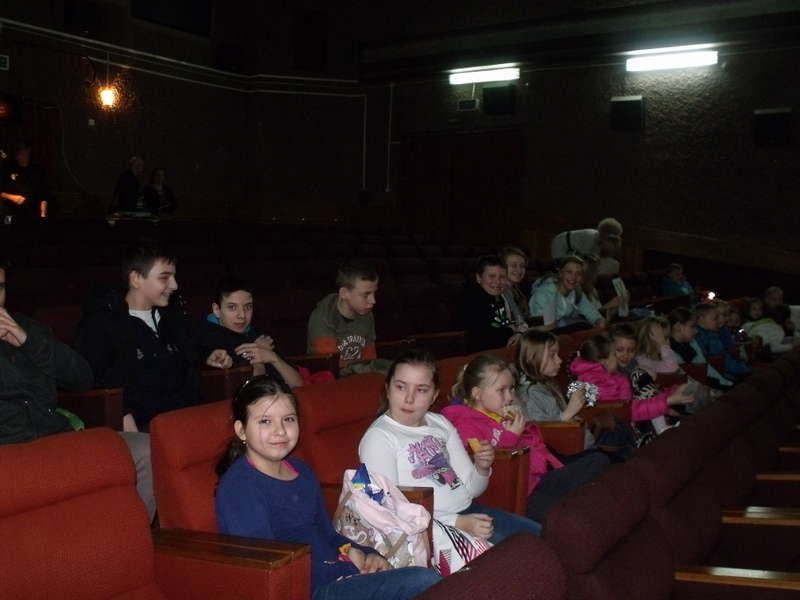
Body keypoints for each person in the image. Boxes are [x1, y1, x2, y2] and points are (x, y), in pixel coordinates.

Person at [215, 375, 441, 600]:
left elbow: (328, 535)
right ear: (241, 430)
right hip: (303, 589)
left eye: (289, 419)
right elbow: (267, 564)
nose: (280, 430)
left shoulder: (301, 472)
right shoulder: (240, 487)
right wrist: (347, 567)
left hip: (337, 575)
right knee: (422, 581)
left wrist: (368, 554)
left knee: (427, 581)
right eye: (265, 421)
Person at [0, 257, 155, 521]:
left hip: (57, 438)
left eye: (1, 287)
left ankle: (126, 538)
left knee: (145, 450)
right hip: (10, 452)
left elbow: (82, 379)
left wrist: (29, 343)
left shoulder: (29, 328)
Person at [359, 350, 542, 548]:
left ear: (434, 395)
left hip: (470, 512)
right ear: (388, 389)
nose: (409, 398)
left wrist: (481, 468)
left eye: (421, 390)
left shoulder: (440, 423)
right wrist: (457, 522)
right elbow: (386, 508)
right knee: (525, 554)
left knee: (544, 536)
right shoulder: (379, 437)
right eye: (401, 387)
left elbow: (471, 489)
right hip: (428, 532)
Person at [76, 240, 231, 432]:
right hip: (145, 429)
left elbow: (189, 363)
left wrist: (207, 357)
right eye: (164, 277)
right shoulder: (103, 326)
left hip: (187, 421)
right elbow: (97, 385)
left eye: (174, 276)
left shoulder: (173, 319)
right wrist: (123, 415)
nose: (174, 285)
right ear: (136, 279)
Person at [443, 354, 608, 522]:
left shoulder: (497, 415)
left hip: (535, 480)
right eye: (501, 390)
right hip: (518, 495)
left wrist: (522, 429)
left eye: (511, 389)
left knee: (598, 461)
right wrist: (511, 436)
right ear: (477, 394)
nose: (510, 397)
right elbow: (491, 465)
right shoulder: (465, 425)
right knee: (575, 504)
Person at [197, 278, 302, 388]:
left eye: (247, 307)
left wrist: (273, 357)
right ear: (217, 310)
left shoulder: (255, 334)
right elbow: (255, 392)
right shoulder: (206, 341)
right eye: (232, 307)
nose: (242, 315)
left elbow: (298, 384)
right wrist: (257, 360)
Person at [307, 261, 390, 375]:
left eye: (374, 293)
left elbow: (370, 358)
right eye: (366, 294)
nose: (373, 301)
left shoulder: (366, 314)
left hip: (359, 373)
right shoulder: (323, 317)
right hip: (329, 377)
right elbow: (332, 367)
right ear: (344, 293)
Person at [458, 255, 519, 353]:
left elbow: (504, 325)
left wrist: (515, 332)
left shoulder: (498, 297)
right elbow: (487, 337)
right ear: (478, 278)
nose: (497, 282)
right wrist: (512, 331)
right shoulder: (472, 299)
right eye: (492, 276)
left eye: (502, 277)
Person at [529, 255, 605, 332]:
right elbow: (545, 325)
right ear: (560, 273)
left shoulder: (577, 292)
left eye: (578, 274)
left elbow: (593, 314)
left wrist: (599, 322)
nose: (573, 277)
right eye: (569, 272)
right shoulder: (545, 293)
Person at [668, 307, 733, 391]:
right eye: (692, 326)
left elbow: (705, 367)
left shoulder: (692, 343)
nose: (696, 331)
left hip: (704, 385)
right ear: (678, 327)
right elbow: (685, 379)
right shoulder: (669, 350)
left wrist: (724, 382)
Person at [694, 302, 751, 382]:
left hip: (726, 369)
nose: (718, 321)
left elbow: (725, 355)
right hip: (720, 374)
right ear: (701, 319)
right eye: (715, 319)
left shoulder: (713, 333)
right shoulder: (701, 336)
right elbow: (719, 359)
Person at [550, 217, 623, 275]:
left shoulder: (598, 240)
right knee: (560, 269)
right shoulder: (590, 238)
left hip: (572, 249)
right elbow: (586, 261)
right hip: (560, 243)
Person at [0, 141, 50, 219]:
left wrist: (43, 213)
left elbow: (43, 194)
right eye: (17, 150)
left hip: (32, 213)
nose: (19, 153)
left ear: (28, 150)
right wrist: (12, 197)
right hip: (11, 212)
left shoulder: (37, 170)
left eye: (22, 149)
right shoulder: (8, 168)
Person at [498, 246, 531, 330]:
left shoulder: (518, 291)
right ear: (502, 267)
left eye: (522, 266)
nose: (519, 270)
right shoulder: (500, 291)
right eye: (513, 265)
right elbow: (519, 323)